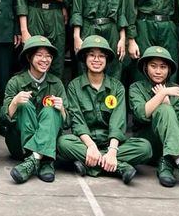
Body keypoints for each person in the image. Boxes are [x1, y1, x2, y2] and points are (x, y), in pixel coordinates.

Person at [58, 35, 153, 183]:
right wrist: (91, 146)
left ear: (107, 60)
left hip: (112, 143)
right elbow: (78, 122)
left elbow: (117, 122)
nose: (96, 60)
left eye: (101, 56)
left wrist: (112, 151)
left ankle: (91, 165)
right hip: (84, 143)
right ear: (85, 58)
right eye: (92, 55)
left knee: (145, 148)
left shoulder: (117, 87)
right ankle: (119, 166)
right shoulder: (74, 86)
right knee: (63, 143)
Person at [128, 46, 179, 196]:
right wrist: (163, 94)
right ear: (146, 67)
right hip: (152, 145)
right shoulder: (136, 88)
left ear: (169, 70)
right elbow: (141, 114)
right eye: (153, 66)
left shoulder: (176, 89)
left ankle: (168, 162)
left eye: (163, 67)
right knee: (164, 109)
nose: (158, 71)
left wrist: (168, 100)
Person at [3, 36, 65, 184]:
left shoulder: (56, 83)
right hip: (19, 145)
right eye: (39, 55)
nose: (45, 60)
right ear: (29, 57)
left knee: (52, 110)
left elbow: (67, 122)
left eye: (48, 56)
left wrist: (62, 109)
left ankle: (35, 159)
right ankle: (41, 157)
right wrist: (14, 102)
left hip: (49, 145)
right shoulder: (15, 82)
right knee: (24, 104)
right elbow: (2, 120)